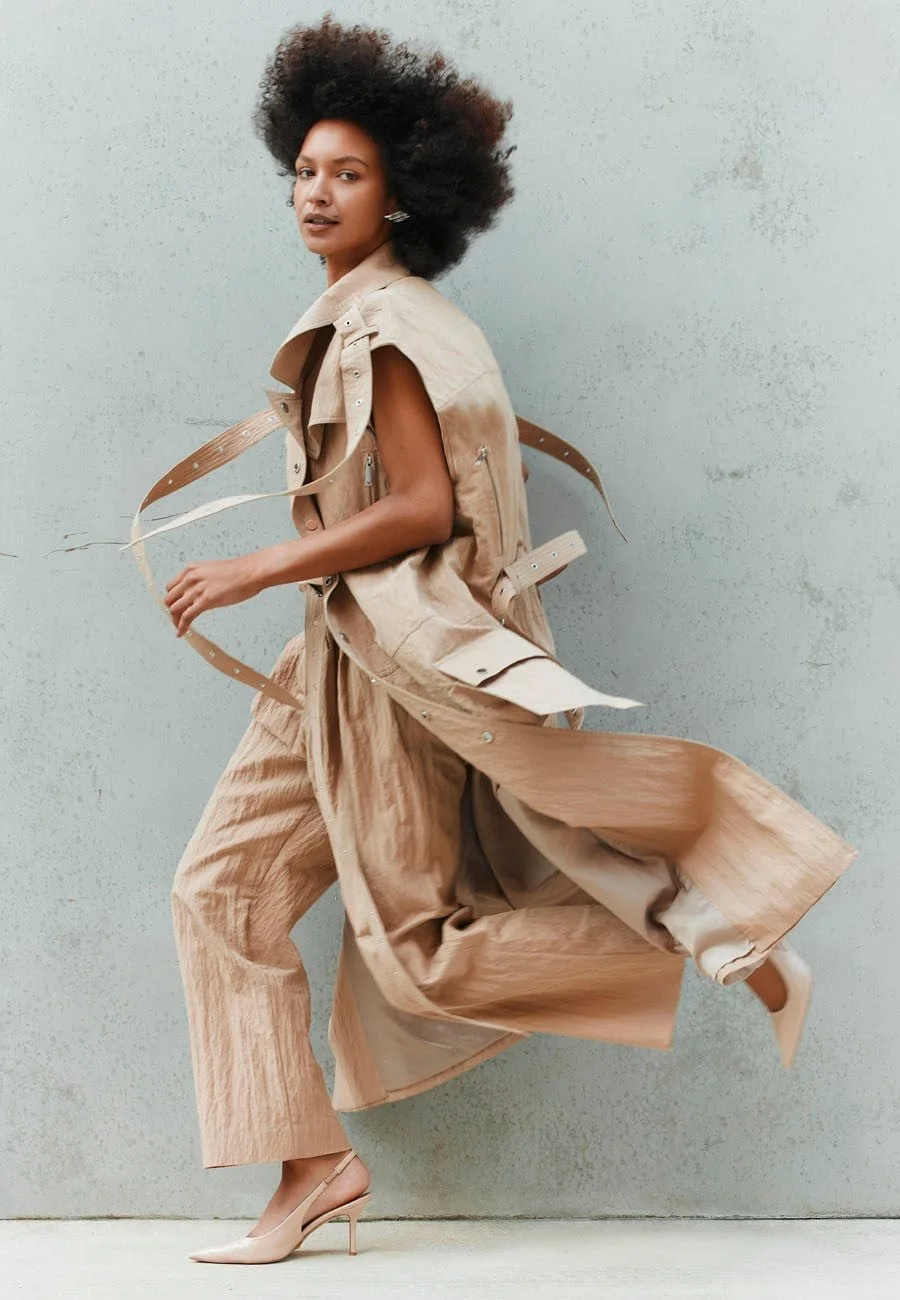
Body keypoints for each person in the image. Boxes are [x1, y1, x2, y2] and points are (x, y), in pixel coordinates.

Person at [145, 15, 858, 1265]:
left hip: (390, 679)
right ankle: (312, 1167)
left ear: (401, 194)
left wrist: (260, 561)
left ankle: (711, 926)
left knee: (421, 947)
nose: (317, 193)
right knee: (220, 890)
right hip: (338, 665)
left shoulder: (391, 330)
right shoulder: (393, 316)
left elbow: (420, 508)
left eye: (348, 174)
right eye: (305, 169)